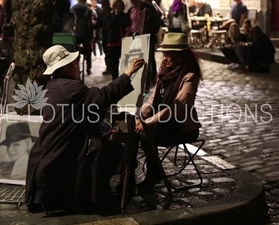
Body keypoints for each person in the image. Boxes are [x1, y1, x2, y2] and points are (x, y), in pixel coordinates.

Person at [25, 45, 145, 215]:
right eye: (74, 63)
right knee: (113, 149)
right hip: (61, 156)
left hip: (47, 155)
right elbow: (104, 96)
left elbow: (82, 110)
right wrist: (128, 73)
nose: (76, 66)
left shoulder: (50, 87)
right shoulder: (72, 88)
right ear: (67, 66)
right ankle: (96, 196)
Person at [132, 33, 202, 189]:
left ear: (181, 56)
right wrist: (143, 113)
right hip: (162, 123)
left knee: (146, 137)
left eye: (169, 53)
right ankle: (128, 175)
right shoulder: (164, 72)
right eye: (164, 53)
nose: (165, 57)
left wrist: (148, 122)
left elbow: (176, 107)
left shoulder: (190, 76)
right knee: (132, 132)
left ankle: (154, 174)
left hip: (181, 126)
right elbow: (154, 98)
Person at [127, 0, 163, 89]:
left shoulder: (147, 7)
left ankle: (152, 78)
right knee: (136, 57)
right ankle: (138, 77)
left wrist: (150, 32)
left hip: (147, 36)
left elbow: (157, 21)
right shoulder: (131, 9)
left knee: (149, 57)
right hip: (134, 36)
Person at [106, 0, 131, 80]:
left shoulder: (125, 16)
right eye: (116, 6)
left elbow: (127, 25)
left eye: (119, 6)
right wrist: (116, 15)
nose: (118, 8)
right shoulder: (110, 16)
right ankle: (115, 79)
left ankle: (125, 78)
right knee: (114, 62)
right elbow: (110, 26)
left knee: (125, 62)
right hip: (113, 42)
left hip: (124, 41)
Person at [70, 0, 93, 75]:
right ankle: (88, 68)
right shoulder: (88, 10)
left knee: (75, 51)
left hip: (76, 33)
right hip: (85, 33)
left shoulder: (72, 9)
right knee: (88, 51)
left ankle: (76, 68)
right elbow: (89, 24)